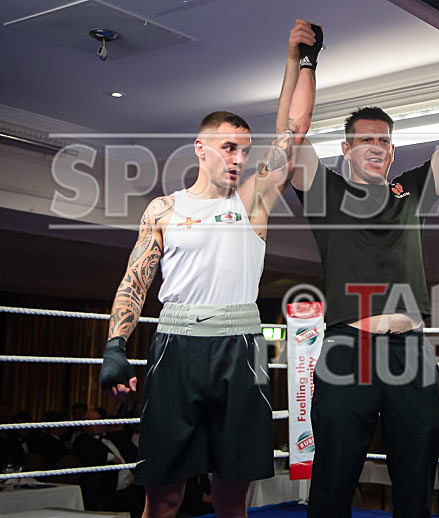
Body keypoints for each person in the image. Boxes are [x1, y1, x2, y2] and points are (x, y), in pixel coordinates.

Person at [285, 22, 439, 516]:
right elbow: (292, 133)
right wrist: (304, 61)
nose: (379, 147)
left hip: (411, 352)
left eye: (386, 141)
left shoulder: (411, 191)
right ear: (347, 150)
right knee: (333, 479)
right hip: (347, 349)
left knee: (417, 480)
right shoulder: (325, 192)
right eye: (367, 140)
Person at [98, 29, 301, 513]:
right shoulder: (163, 209)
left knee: (232, 498)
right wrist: (114, 345)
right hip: (175, 349)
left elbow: (293, 132)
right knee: (164, 496)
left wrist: (297, 61)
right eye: (229, 148)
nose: (239, 159)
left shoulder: (252, 202)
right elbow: (136, 281)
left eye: (245, 151)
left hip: (241, 350)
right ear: (200, 148)